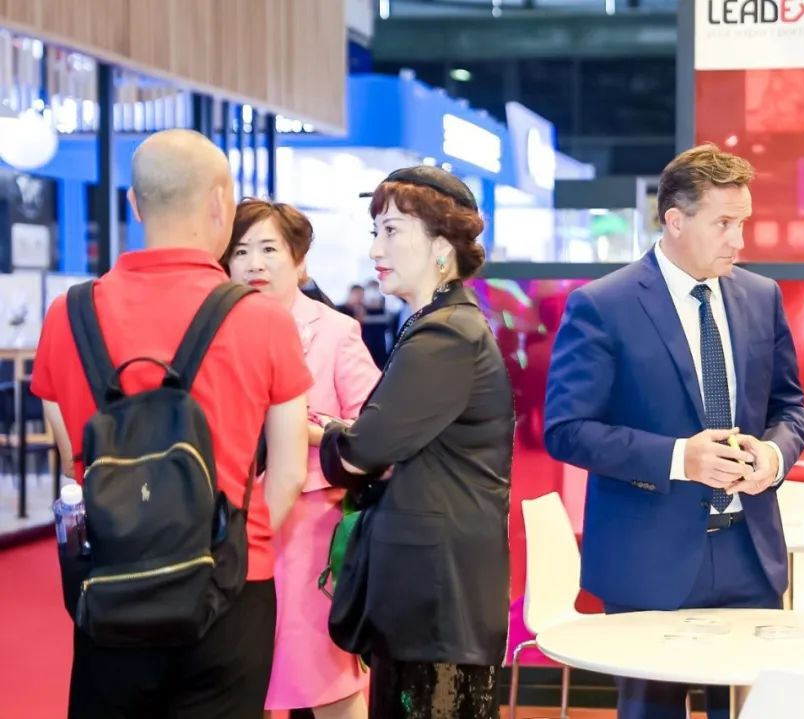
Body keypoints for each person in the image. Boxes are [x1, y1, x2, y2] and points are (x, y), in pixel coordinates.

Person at [30, 129, 311, 718]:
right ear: (220, 204)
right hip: (230, 587)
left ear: (134, 204)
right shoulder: (262, 319)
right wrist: (241, 546)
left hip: (112, 581)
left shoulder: (67, 314)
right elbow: (286, 474)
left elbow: (74, 460)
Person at [544, 143, 804, 719]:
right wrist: (677, 458)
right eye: (724, 223)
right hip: (649, 561)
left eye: (743, 223)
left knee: (752, 711)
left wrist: (772, 456)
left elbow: (790, 407)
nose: (739, 240)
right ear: (675, 220)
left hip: (749, 554)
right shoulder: (603, 305)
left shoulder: (760, 297)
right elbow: (566, 430)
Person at [319, 166, 513, 719]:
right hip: (435, 589)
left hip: (438, 597)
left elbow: (363, 449)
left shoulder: (445, 333)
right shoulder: (442, 323)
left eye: (392, 230)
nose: (375, 248)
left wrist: (325, 433)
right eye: (375, 231)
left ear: (442, 246)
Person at [223, 199, 380, 719]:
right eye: (240, 251)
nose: (255, 264)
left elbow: (373, 431)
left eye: (269, 249)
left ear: (299, 261)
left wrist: (304, 428)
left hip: (311, 529)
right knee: (246, 680)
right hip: (233, 521)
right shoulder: (218, 331)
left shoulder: (335, 331)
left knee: (324, 681)